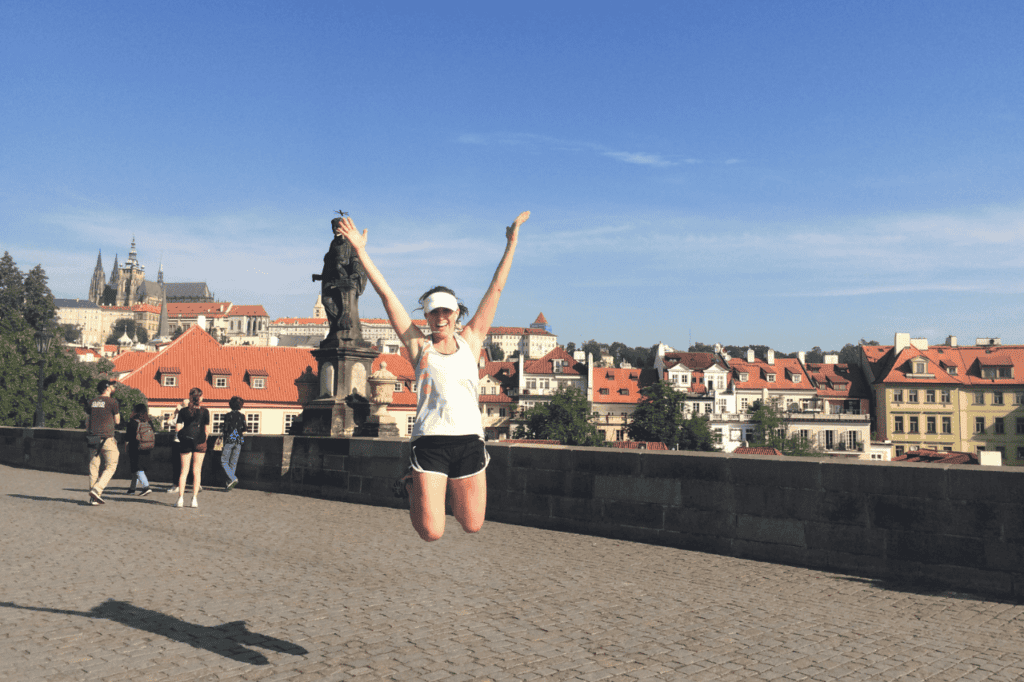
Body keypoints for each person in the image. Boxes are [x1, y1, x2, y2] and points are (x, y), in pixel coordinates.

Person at [336, 210, 530, 541]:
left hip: (469, 439)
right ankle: (411, 482)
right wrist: (360, 250)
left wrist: (511, 244)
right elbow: (387, 297)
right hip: (430, 441)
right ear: (426, 315)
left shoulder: (471, 340)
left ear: (456, 313)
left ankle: (433, 485)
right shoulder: (418, 346)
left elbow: (496, 289)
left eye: (446, 311)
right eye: (433, 312)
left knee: (472, 524)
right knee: (431, 531)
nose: (440, 317)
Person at [319, 216, 368, 344]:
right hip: (333, 279)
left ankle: (347, 330)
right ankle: (336, 328)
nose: (335, 229)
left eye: (338, 226)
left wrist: (356, 272)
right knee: (326, 301)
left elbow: (355, 258)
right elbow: (330, 262)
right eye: (333, 227)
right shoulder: (333, 243)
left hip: (346, 281)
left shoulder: (349, 242)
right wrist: (321, 276)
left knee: (345, 306)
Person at [84, 379, 120, 505]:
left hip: (92, 437)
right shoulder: (112, 402)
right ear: (107, 388)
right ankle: (97, 489)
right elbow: (117, 421)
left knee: (93, 467)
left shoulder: (92, 402)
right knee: (111, 465)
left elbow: (88, 420)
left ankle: (93, 497)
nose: (113, 387)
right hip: (107, 438)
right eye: (111, 385)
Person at [174, 387, 210, 508]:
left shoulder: (183, 411)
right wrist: (202, 440)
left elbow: (178, 428)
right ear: (201, 398)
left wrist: (183, 437)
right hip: (200, 442)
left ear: (190, 397)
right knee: (197, 471)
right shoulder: (205, 411)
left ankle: (180, 498)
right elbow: (207, 430)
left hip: (185, 442)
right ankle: (194, 499)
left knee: (184, 471)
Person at [125, 403, 154, 496]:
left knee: (138, 469)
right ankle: (132, 488)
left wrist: (126, 448)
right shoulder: (149, 422)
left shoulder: (133, 422)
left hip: (135, 448)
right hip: (147, 448)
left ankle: (146, 487)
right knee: (136, 469)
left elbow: (127, 437)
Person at [220, 396, 247, 490]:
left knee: (223, 460)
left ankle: (232, 478)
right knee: (233, 463)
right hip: (239, 439)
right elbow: (245, 428)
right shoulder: (242, 415)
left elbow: (226, 429)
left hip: (230, 439)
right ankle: (229, 484)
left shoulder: (228, 415)